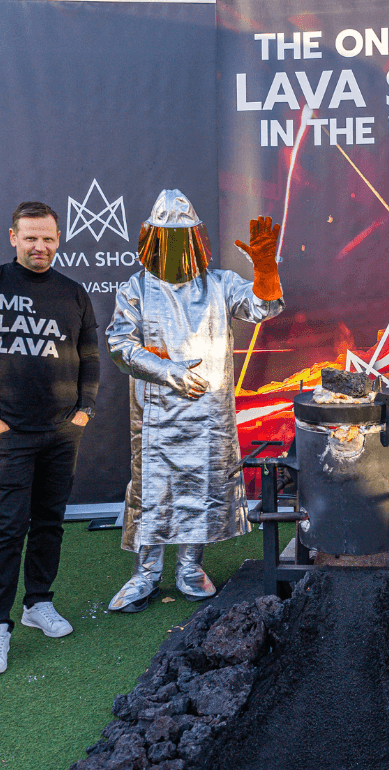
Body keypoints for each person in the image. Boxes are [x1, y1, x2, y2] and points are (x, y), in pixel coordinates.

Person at [106, 190, 284, 612]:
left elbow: (263, 308)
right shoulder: (136, 288)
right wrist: (169, 372)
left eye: (181, 238)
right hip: (156, 412)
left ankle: (189, 568)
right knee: (153, 489)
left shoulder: (219, 284)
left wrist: (265, 268)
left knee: (200, 485)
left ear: (196, 239)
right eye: (166, 239)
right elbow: (120, 345)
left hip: (208, 413)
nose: (174, 249)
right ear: (151, 240)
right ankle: (145, 574)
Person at [0, 201, 99, 673]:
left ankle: (38, 602)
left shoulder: (74, 293)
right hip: (10, 433)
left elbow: (90, 355)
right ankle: (0, 626)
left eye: (48, 238)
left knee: (49, 522)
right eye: (31, 237)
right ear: (14, 238)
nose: (40, 246)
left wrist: (84, 412)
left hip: (63, 432)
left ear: (58, 240)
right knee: (7, 528)